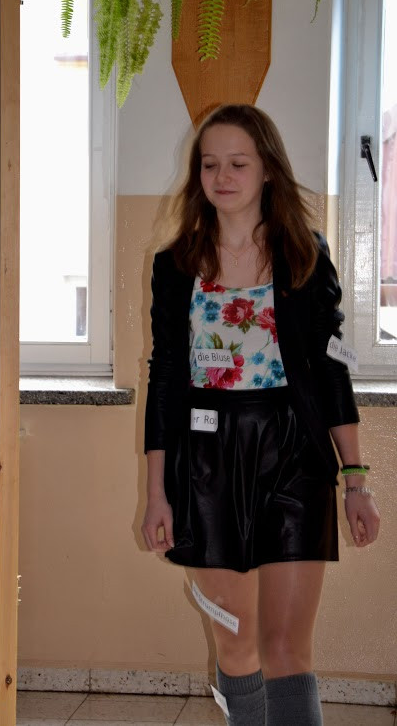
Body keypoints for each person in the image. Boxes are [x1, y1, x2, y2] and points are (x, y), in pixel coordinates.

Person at [141, 104, 380, 726]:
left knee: (286, 650)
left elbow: (330, 371)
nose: (222, 177)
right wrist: (157, 494)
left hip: (296, 458)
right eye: (209, 164)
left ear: (268, 169)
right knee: (237, 646)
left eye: (238, 163)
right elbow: (164, 381)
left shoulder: (305, 256)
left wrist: (356, 480)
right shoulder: (175, 266)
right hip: (207, 466)